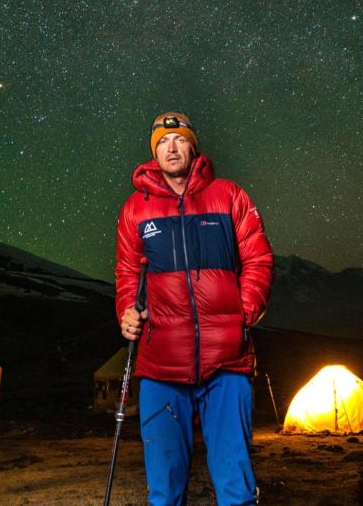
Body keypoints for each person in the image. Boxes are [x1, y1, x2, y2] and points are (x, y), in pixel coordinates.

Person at [115, 111, 273, 506]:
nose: (172, 147)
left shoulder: (230, 195)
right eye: (163, 142)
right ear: (154, 152)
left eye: (180, 140)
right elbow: (126, 273)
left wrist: (243, 315)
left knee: (235, 488)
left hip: (227, 365)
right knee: (164, 492)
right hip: (161, 366)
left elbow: (258, 260)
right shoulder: (136, 209)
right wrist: (126, 312)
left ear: (193, 146)